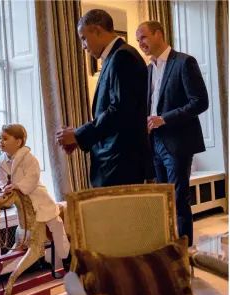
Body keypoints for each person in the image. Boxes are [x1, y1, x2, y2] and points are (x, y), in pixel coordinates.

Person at [55, 9, 153, 187]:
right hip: (116, 162)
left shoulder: (123, 57)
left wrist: (78, 135)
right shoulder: (114, 57)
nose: (84, 46)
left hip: (121, 164)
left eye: (84, 38)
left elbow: (119, 112)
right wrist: (79, 138)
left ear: (97, 30)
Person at [136, 21, 209, 247]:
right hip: (155, 142)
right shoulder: (149, 69)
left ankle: (183, 251)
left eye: (144, 38)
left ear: (159, 34)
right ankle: (168, 246)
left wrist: (164, 119)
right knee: (162, 200)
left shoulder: (184, 62)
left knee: (178, 198)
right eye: (138, 41)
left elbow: (200, 102)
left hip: (178, 141)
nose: (141, 44)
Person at [0, 124, 71, 269]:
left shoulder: (28, 158)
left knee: (55, 222)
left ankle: (65, 254)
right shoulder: (2, 161)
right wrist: (2, 186)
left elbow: (33, 176)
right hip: (19, 197)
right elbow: (0, 178)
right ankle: (29, 245)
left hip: (36, 194)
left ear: (18, 142)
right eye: (0, 138)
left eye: (5, 138)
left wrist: (18, 185)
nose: (1, 142)